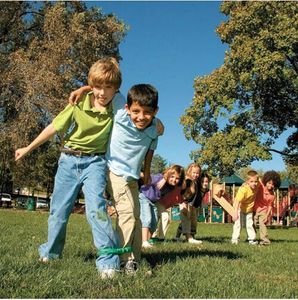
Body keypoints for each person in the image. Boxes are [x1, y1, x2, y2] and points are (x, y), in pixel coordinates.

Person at [15, 57, 124, 279]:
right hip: (68, 160)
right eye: (97, 87)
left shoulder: (117, 106)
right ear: (91, 86)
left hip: (95, 162)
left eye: (108, 88)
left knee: (97, 210)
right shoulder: (78, 103)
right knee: (59, 211)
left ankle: (108, 262)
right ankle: (51, 253)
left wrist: (157, 124)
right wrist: (28, 148)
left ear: (115, 89)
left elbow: (135, 106)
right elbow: (54, 127)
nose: (102, 93)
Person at [70, 83, 162, 274]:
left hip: (133, 177)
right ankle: (122, 258)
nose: (141, 117)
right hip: (114, 172)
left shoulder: (154, 129)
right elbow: (106, 87)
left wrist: (145, 172)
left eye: (147, 112)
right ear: (128, 108)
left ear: (155, 112)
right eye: (136, 111)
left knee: (136, 217)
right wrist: (83, 90)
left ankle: (134, 259)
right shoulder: (120, 111)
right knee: (127, 213)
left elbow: (150, 151)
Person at [139, 165, 185, 248]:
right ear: (168, 174)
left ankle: (147, 240)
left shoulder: (171, 187)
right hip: (144, 197)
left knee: (154, 222)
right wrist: (162, 179)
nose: (174, 180)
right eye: (172, 176)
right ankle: (144, 241)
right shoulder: (159, 178)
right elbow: (148, 178)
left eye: (177, 178)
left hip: (153, 201)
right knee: (147, 219)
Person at [176, 167, 210, 244]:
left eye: (206, 182)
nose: (204, 183)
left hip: (194, 205)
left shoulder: (205, 189)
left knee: (193, 221)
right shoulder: (191, 182)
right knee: (186, 219)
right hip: (186, 202)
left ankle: (190, 236)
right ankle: (188, 237)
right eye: (202, 181)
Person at [231, 170, 259, 245]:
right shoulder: (243, 189)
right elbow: (237, 201)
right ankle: (234, 239)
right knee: (238, 224)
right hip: (240, 209)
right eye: (251, 181)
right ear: (247, 182)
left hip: (249, 210)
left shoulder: (258, 185)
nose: (254, 183)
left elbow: (262, 182)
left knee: (249, 224)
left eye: (255, 181)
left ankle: (251, 240)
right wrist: (235, 213)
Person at [253, 171, 281, 245]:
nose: (271, 185)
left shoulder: (272, 195)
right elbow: (256, 179)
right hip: (254, 209)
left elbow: (270, 206)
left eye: (273, 184)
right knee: (252, 224)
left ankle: (265, 241)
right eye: (269, 183)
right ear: (265, 181)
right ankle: (251, 239)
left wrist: (267, 215)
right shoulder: (261, 186)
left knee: (263, 225)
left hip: (263, 211)